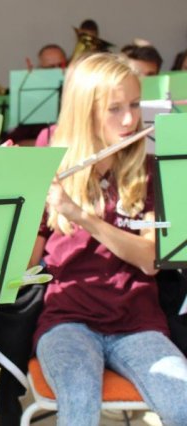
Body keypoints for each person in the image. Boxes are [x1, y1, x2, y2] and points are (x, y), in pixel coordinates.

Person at [33, 53, 187, 425]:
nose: (130, 119)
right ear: (85, 113)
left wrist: (78, 215)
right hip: (66, 320)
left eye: (134, 105)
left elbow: (150, 260)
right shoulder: (52, 170)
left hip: (138, 322)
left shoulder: (149, 171)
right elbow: (23, 264)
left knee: (182, 403)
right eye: (114, 109)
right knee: (80, 400)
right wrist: (16, 194)